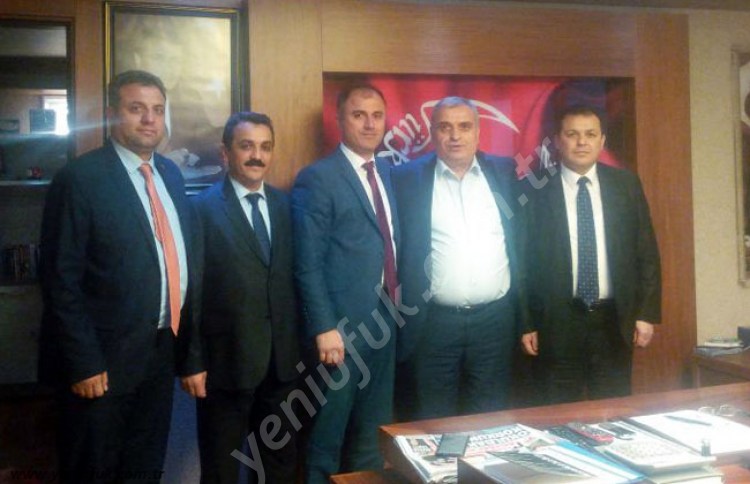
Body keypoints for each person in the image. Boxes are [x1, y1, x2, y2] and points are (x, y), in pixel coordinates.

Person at [38, 70, 201, 483]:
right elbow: (60, 280)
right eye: (136, 109)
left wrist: (188, 354)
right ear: (112, 114)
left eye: (157, 110)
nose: (149, 119)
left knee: (145, 467)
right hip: (102, 362)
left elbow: (182, 263)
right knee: (93, 471)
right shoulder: (80, 179)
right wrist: (83, 362)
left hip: (159, 352)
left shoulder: (170, 175)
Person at [182, 112, 301, 483]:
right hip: (225, 364)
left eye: (265, 147)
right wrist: (191, 360)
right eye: (246, 146)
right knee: (221, 470)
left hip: (281, 366)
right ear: (225, 152)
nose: (257, 156)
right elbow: (191, 289)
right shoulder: (200, 209)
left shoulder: (285, 206)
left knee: (278, 469)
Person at [392, 96, 526, 420]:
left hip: (495, 322)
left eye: (464, 127)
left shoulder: (504, 172)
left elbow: (522, 244)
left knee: (489, 419)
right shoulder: (406, 179)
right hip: (433, 323)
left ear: (478, 132)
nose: (455, 136)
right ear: (432, 133)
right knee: (433, 419)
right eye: (445, 127)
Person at [291, 83, 399, 483]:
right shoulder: (318, 178)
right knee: (327, 437)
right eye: (358, 115)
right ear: (339, 120)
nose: (369, 124)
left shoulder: (388, 173)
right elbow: (307, 262)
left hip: (386, 321)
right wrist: (324, 326)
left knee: (373, 434)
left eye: (377, 116)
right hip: (340, 331)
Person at [521, 104, 661, 404]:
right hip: (556, 322)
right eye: (572, 134)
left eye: (590, 134)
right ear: (557, 140)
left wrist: (646, 313)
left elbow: (646, 251)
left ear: (602, 140)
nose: (581, 142)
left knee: (614, 411)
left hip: (613, 320)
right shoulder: (533, 190)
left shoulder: (626, 185)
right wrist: (526, 322)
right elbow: (521, 262)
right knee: (556, 412)